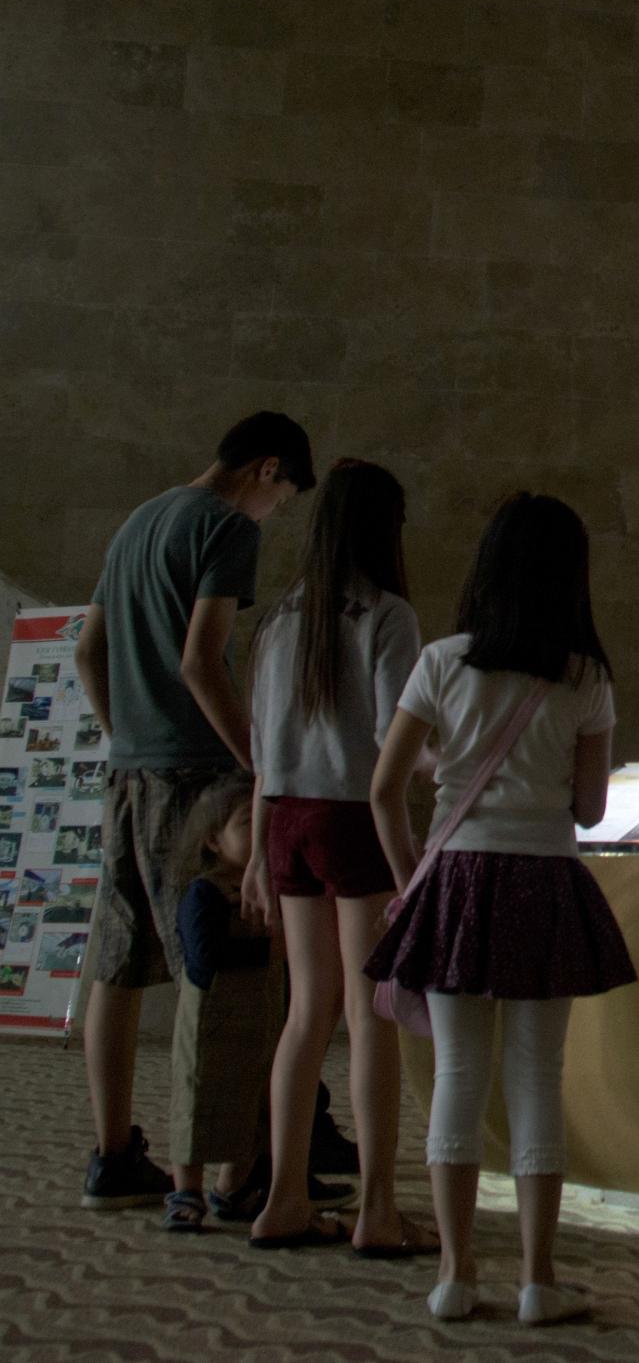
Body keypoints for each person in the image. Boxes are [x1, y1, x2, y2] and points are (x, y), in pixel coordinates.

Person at [364, 492, 635, 1326]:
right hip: (544, 879)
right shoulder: (586, 675)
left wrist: (413, 878)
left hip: (456, 879)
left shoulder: (442, 660)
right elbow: (589, 807)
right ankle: (537, 1278)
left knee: (456, 1075)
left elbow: (384, 790)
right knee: (535, 1081)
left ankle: (455, 1271)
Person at [75, 411, 314, 1214]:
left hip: (128, 775)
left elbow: (87, 650)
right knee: (219, 971)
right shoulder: (222, 526)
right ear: (267, 469)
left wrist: (124, 737)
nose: (273, 513)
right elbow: (201, 657)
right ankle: (228, 1167)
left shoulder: (138, 520)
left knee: (117, 961)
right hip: (196, 778)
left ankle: (114, 1154)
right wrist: (257, 759)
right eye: (281, 497)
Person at [243, 460, 431, 1255]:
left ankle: (283, 1196)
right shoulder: (386, 614)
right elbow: (398, 741)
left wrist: (256, 851)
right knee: (369, 1013)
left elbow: (263, 748)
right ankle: (378, 1210)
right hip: (355, 819)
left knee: (305, 1011)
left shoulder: (281, 616)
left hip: (285, 817)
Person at [166, 781, 285, 1230]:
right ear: (213, 840)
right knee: (198, 1101)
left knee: (253, 1103)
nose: (260, 835)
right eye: (245, 825)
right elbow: (205, 956)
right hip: (210, 1019)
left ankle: (231, 1187)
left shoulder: (268, 888)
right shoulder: (205, 892)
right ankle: (186, 1190)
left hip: (259, 1015)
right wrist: (268, 954)